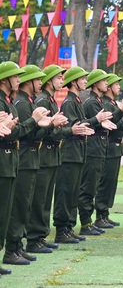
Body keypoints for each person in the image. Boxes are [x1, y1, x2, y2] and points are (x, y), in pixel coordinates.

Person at [28, 66, 93, 250]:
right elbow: (50, 131)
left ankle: (59, 230)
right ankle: (49, 233)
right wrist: (68, 129)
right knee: (53, 196)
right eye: (57, 77)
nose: (60, 80)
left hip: (58, 153)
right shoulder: (48, 101)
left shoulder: (57, 100)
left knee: (65, 194)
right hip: (56, 153)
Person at [0, 61, 53, 270]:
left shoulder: (10, 102)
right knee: (11, 209)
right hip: (10, 159)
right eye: (15, 76)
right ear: (5, 79)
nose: (18, 80)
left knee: (18, 207)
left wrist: (44, 124)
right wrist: (32, 121)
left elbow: (19, 130)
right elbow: (15, 132)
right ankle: (12, 249)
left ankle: (15, 246)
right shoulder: (12, 102)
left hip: (13, 159)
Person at [53, 66, 113, 244]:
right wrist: (96, 120)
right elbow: (74, 126)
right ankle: (62, 229)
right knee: (66, 193)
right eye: (82, 79)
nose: (86, 81)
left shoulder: (77, 101)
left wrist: (96, 120)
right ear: (74, 82)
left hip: (78, 152)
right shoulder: (70, 102)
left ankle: (68, 228)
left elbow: (80, 124)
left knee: (73, 193)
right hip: (70, 153)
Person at [96, 73, 123, 229]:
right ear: (108, 86)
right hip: (109, 146)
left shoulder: (113, 103)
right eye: (116, 84)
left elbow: (118, 121)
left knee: (111, 183)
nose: (119, 86)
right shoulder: (106, 104)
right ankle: (100, 215)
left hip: (116, 147)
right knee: (105, 182)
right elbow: (114, 123)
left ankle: (105, 214)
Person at [79, 69, 117, 236]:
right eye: (103, 81)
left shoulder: (98, 101)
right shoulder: (91, 102)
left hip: (99, 148)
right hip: (93, 148)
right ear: (95, 83)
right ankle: (86, 222)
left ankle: (90, 221)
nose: (106, 84)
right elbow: (92, 124)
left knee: (93, 186)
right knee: (88, 187)